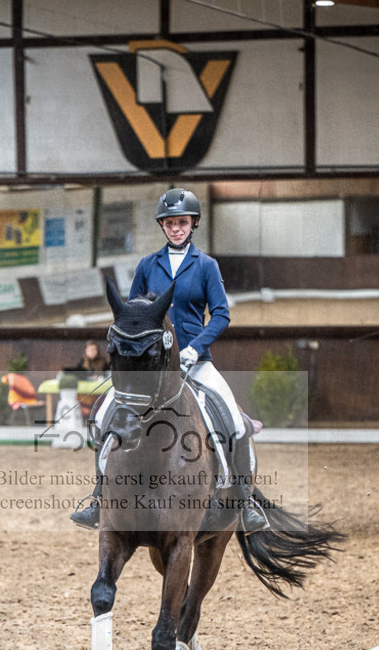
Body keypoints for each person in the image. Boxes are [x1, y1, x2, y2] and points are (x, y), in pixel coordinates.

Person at [70, 187, 269, 533]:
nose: (176, 228)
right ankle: (99, 496)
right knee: (105, 415)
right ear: (163, 226)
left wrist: (194, 348)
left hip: (197, 361)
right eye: (170, 223)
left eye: (182, 222)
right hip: (153, 366)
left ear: (192, 224)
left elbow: (221, 315)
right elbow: (131, 314)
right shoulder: (148, 265)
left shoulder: (206, 266)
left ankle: (244, 500)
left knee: (235, 424)